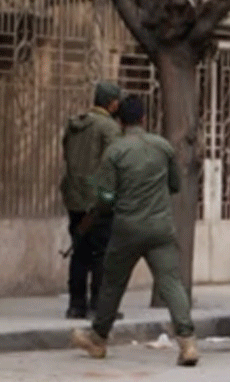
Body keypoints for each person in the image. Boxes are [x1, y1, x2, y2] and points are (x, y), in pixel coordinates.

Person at [71, 95, 200, 366]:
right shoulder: (162, 147)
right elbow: (175, 185)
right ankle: (187, 343)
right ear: (143, 118)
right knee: (171, 283)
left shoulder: (115, 152)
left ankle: (98, 339)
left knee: (113, 284)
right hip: (161, 228)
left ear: (120, 121)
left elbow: (105, 196)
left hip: (127, 229)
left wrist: (104, 209)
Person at [60, 81, 123, 319]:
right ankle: (99, 304)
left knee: (79, 251)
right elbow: (114, 163)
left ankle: (76, 304)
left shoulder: (76, 124)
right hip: (98, 200)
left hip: (74, 197)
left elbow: (66, 153)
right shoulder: (108, 128)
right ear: (112, 103)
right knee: (101, 254)